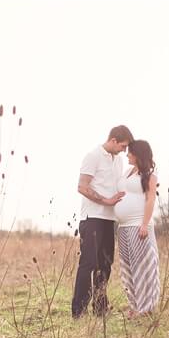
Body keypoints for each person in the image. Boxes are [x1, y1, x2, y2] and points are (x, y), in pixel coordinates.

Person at [70, 125, 133, 318]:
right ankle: (78, 311)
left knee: (105, 265)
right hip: (93, 218)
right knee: (88, 263)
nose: (124, 150)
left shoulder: (119, 161)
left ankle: (100, 308)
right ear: (113, 140)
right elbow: (82, 186)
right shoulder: (93, 156)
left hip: (109, 220)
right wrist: (106, 201)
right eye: (123, 146)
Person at [115, 139, 159, 317]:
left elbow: (150, 200)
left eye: (130, 152)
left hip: (138, 226)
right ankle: (134, 306)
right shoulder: (127, 172)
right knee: (127, 267)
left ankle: (146, 307)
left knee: (144, 266)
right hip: (123, 227)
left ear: (138, 154)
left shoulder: (149, 176)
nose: (127, 154)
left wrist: (144, 224)